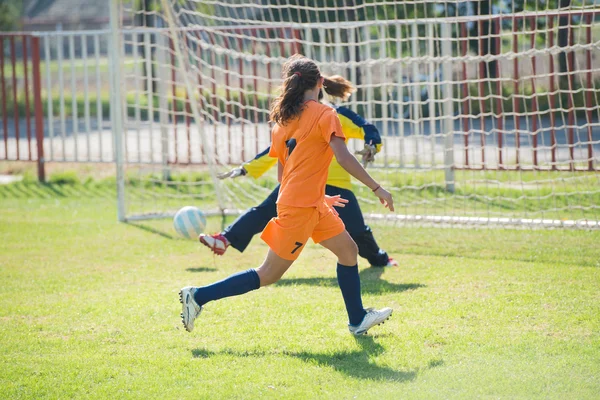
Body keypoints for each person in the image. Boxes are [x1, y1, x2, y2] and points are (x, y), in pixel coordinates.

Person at [180, 54, 395, 336]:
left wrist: (319, 197)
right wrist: (377, 187)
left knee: (348, 250)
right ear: (320, 83)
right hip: (301, 207)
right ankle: (197, 296)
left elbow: (284, 176)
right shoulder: (326, 114)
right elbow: (342, 158)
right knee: (268, 274)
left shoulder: (283, 121)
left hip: (309, 203)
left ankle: (357, 320)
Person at [199, 106, 397, 267]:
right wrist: (246, 168)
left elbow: (366, 128)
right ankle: (225, 239)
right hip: (302, 184)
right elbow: (276, 151)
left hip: (334, 186)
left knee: (357, 230)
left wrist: (372, 145)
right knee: (264, 210)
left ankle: (380, 260)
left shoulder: (336, 114)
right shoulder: (295, 119)